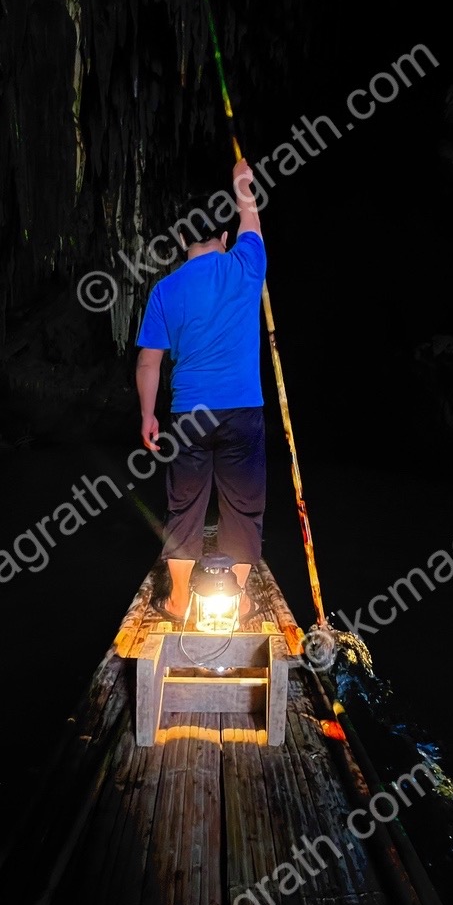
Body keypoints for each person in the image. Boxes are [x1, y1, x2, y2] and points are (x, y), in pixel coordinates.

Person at [135, 157, 266, 623]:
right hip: (243, 411)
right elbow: (251, 217)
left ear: (183, 242)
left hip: (188, 414)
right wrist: (241, 185)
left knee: (184, 506)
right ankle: (241, 599)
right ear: (224, 238)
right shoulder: (247, 265)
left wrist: (149, 415)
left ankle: (176, 601)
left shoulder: (166, 291)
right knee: (243, 506)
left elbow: (150, 361)